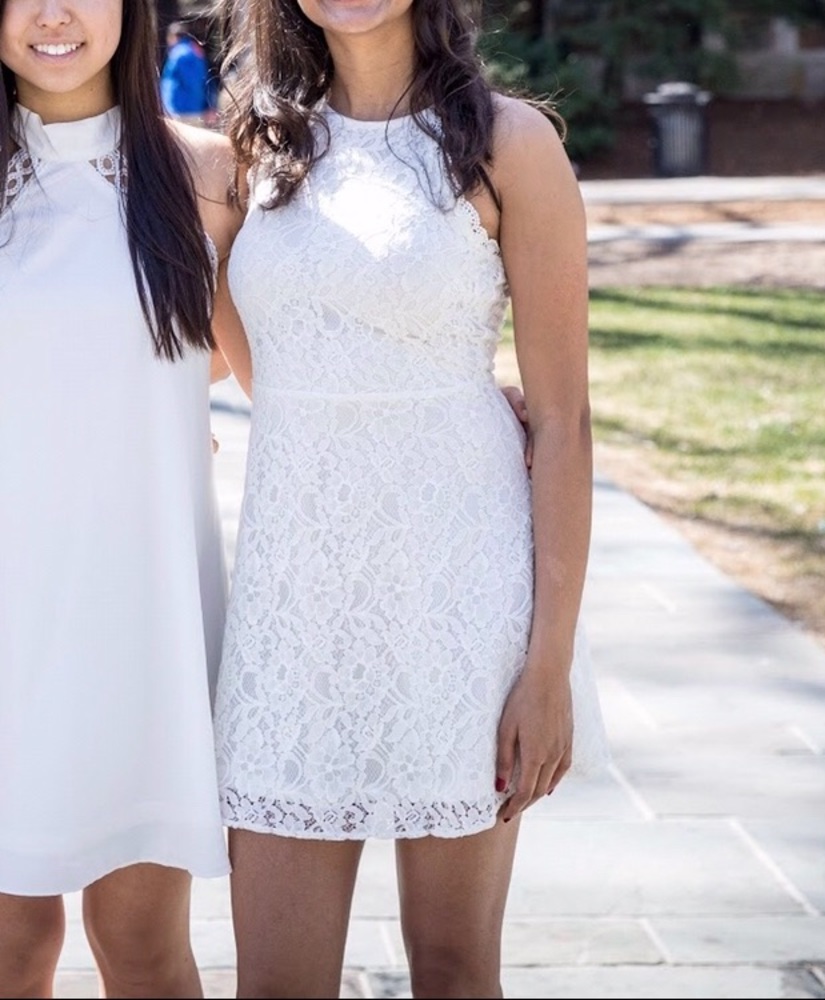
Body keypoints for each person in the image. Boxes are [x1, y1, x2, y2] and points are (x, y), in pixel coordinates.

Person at [208, 0, 611, 995]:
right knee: (275, 980)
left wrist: (547, 663)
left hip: (458, 601)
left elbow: (561, 420)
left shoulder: (511, 143)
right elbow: (265, 367)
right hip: (294, 602)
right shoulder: (249, 136)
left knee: (453, 965)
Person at [0, 0, 243, 995]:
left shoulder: (206, 174)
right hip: (9, 621)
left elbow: (277, 362)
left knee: (141, 945)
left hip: (139, 618)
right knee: (10, 947)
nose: (55, 15)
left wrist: (458, 393)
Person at [160, 19, 217, 127]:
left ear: (174, 36)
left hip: (180, 109)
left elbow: (191, 81)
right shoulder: (196, 52)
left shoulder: (179, 54)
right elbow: (204, 81)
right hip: (196, 108)